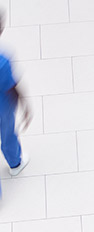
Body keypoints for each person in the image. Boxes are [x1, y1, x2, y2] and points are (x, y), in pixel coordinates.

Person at [0, 13, 32, 181]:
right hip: (3, 107)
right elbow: (11, 87)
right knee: (7, 134)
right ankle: (15, 163)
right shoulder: (2, 61)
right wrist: (25, 106)